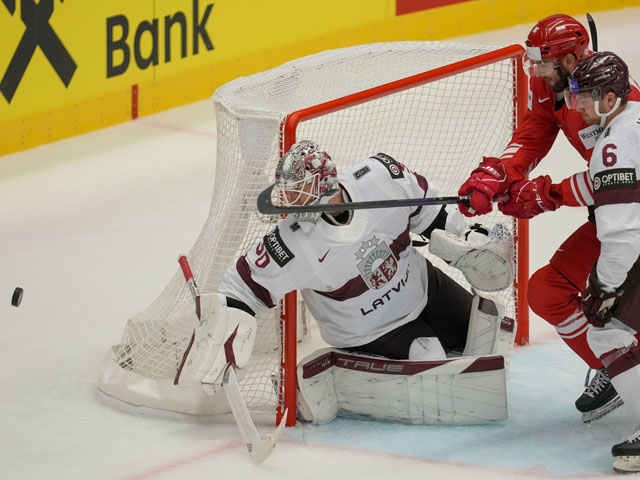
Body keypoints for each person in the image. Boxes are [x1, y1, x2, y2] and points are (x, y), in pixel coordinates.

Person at [457, 13, 640, 423]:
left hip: (630, 217)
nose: (536, 72)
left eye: (544, 63)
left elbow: (619, 185)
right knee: (547, 291)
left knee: (618, 304)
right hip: (614, 215)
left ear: (573, 58)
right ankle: (616, 370)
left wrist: (548, 195)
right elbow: (535, 129)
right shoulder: (552, 83)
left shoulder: (621, 102)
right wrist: (499, 174)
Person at [565, 51, 640, 473]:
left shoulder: (613, 145)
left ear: (610, 99)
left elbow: (623, 234)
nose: (576, 104)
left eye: (585, 96)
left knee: (606, 331)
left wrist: (606, 285)